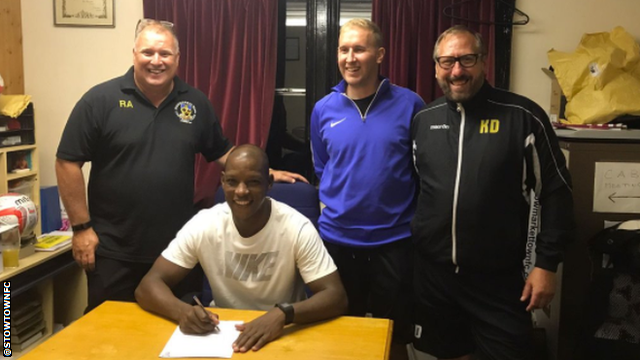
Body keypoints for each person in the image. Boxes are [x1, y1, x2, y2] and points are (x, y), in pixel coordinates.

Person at [55, 19, 306, 313]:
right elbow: (67, 162)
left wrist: (266, 172)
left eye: (165, 54)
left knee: (178, 338)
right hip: (113, 250)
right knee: (110, 338)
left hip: (176, 253)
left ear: (178, 58)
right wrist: (82, 228)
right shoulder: (99, 101)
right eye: (148, 53)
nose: (156, 61)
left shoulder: (196, 103)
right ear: (134, 54)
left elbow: (222, 152)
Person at [411, 25, 575, 360]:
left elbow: (556, 191)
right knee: (448, 354)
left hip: (498, 281)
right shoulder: (424, 120)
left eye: (467, 59)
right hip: (435, 278)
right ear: (436, 67)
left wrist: (546, 264)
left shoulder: (523, 116)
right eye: (447, 61)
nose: (457, 70)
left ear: (484, 61)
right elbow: (420, 189)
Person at [135, 144, 347, 352]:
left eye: (253, 182)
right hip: (221, 335)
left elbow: (335, 296)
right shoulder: (204, 224)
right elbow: (148, 286)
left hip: (283, 333)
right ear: (222, 182)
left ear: (269, 183)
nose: (241, 191)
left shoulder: (296, 226)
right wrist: (182, 312)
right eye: (232, 182)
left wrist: (283, 314)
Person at [310, 18, 425, 359]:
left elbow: (420, 171)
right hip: (338, 241)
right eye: (344, 50)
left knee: (396, 335)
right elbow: (322, 167)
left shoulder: (410, 104)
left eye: (359, 49)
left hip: (394, 242)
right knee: (341, 332)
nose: (350, 57)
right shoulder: (323, 109)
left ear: (379, 54)